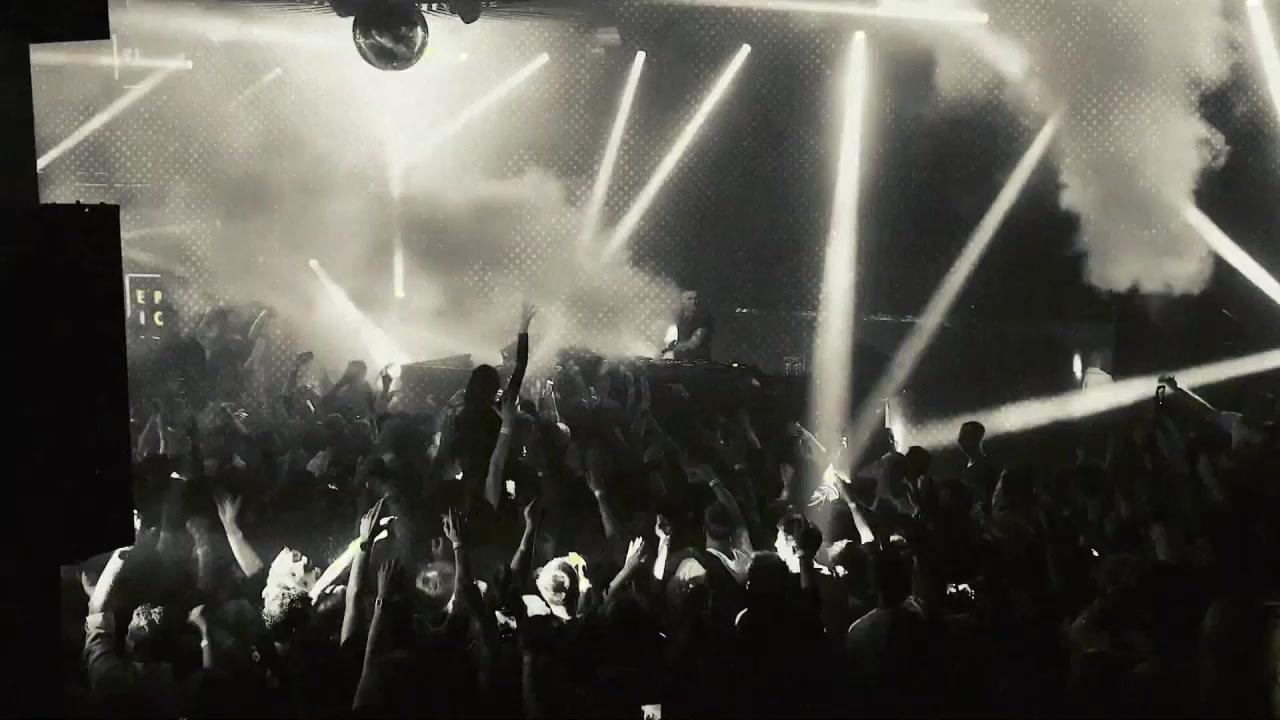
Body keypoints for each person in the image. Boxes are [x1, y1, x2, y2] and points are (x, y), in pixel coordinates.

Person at [664, 289, 715, 362]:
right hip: (679, 361)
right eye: (689, 299)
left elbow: (693, 344)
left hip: (699, 363)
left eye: (695, 298)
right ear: (683, 302)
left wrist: (673, 349)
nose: (694, 302)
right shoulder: (678, 319)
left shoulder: (705, 320)